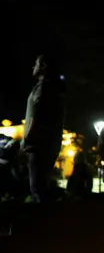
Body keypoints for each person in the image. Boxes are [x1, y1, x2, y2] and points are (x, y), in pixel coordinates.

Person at [21, 55, 65, 203]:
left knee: (37, 188)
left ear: (44, 66)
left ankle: (41, 222)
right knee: (41, 187)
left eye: (36, 64)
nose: (33, 67)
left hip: (38, 144)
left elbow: (37, 112)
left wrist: (28, 138)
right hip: (47, 144)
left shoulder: (44, 87)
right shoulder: (54, 88)